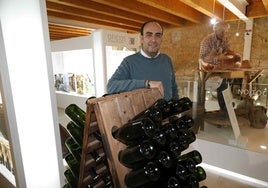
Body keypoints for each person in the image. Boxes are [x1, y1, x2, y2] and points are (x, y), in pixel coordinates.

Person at [107, 20, 179, 100]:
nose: (154, 40)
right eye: (149, 35)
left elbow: (174, 89)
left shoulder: (167, 60)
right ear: (141, 38)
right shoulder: (129, 62)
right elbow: (111, 86)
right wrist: (146, 83)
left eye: (158, 35)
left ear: (161, 38)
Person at [199, 21, 241, 111]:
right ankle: (200, 109)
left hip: (219, 68)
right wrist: (218, 58)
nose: (224, 34)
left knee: (223, 85)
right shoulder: (206, 41)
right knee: (202, 90)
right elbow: (203, 58)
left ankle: (225, 108)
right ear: (215, 30)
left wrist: (233, 56)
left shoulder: (225, 40)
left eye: (226, 32)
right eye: (222, 31)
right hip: (206, 69)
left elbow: (227, 52)